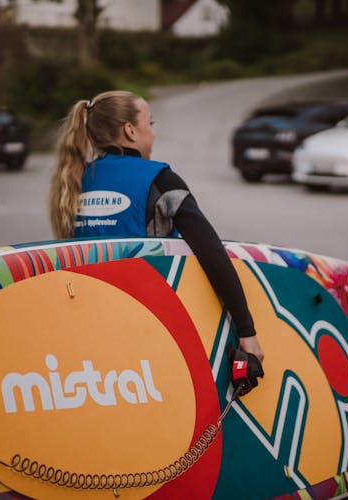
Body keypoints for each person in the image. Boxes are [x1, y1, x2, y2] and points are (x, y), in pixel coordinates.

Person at [48, 90, 265, 372]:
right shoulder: (159, 179)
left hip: (90, 328)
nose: (153, 133)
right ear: (130, 130)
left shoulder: (76, 180)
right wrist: (247, 331)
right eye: (150, 123)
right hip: (149, 329)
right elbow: (211, 253)